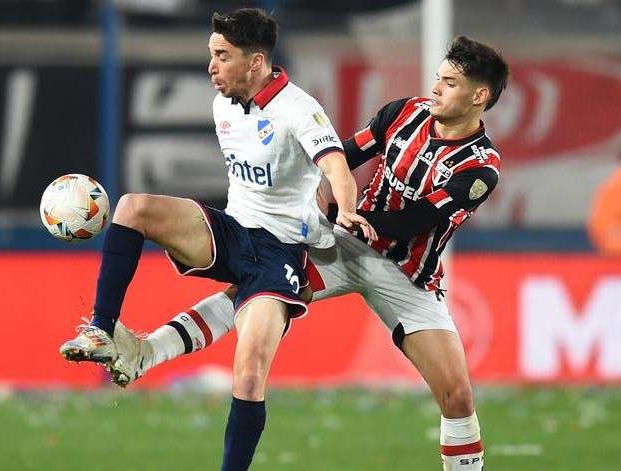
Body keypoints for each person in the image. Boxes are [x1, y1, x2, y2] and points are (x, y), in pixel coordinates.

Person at [108, 36, 509, 471]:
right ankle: (146, 353)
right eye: (439, 78)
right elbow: (344, 154)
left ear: (478, 96)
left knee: (457, 397)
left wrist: (342, 214)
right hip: (346, 246)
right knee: (257, 287)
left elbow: (416, 220)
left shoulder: (480, 167)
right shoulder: (404, 113)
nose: (435, 88)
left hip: (407, 275)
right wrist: (319, 194)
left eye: (449, 83)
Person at [58, 8, 375, 471]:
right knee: (132, 207)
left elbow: (337, 169)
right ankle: (102, 329)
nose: (211, 66)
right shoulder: (222, 104)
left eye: (222, 56)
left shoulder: (299, 109)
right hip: (231, 232)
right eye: (212, 54)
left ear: (255, 61)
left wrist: (346, 210)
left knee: (248, 376)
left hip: (280, 253)